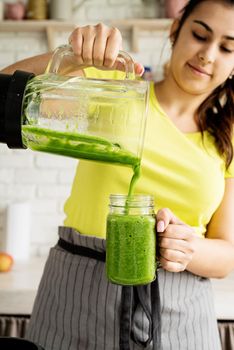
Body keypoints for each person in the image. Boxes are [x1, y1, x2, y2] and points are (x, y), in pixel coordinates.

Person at [2, 0, 234, 349]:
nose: (208, 55)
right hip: (76, 296)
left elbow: (227, 253)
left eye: (227, 47)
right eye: (200, 35)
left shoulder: (229, 139)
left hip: (179, 314)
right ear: (175, 31)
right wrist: (72, 57)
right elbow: (4, 96)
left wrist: (190, 248)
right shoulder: (113, 88)